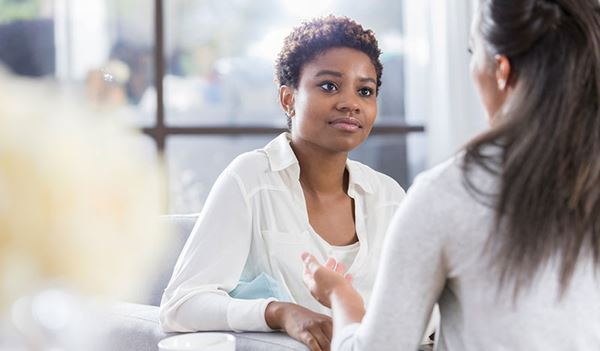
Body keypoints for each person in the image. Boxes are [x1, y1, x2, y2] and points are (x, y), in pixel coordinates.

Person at [302, 0, 600, 350]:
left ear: (502, 70)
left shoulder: (449, 194)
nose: (350, 103)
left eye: (474, 52)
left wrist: (341, 295)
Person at [160, 16, 436, 350]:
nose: (351, 103)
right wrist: (281, 313)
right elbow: (181, 305)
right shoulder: (251, 179)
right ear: (288, 99)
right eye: (329, 86)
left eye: (365, 91)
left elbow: (424, 313)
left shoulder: (388, 196)